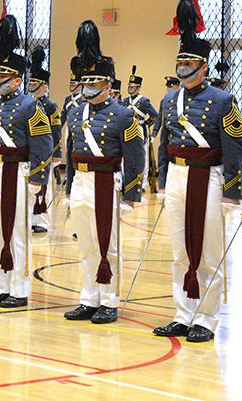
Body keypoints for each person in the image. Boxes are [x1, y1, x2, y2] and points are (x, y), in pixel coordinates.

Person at [154, 0, 242, 343]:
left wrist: (233, 192)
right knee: (179, 248)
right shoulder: (168, 100)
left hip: (209, 177)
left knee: (207, 249)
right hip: (177, 175)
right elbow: (163, 145)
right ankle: (183, 311)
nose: (183, 67)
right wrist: (161, 183)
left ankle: (207, 317)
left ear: (203, 66)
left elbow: (234, 149)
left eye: (189, 61)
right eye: (180, 61)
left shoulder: (224, 101)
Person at [62, 20, 145, 325]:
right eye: (86, 83)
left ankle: (108, 300)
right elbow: (71, 155)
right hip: (82, 180)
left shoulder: (124, 115)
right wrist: (69, 189)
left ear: (109, 85)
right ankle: (88, 297)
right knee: (85, 243)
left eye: (95, 83)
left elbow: (136, 158)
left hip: (107, 181)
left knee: (106, 244)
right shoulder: (74, 111)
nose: (89, 88)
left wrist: (131, 195)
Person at [0, 15, 53, 308]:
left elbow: (43, 144)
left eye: (5, 76)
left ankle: (20, 288)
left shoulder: (31, 106)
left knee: (18, 231)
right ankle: (1, 283)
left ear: (18, 80)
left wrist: (38, 178)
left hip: (21, 171)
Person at [26, 48, 61, 233]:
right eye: (31, 82)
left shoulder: (50, 106)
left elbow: (55, 131)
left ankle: (41, 221)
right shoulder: (26, 103)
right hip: (29, 150)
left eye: (37, 83)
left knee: (43, 187)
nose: (32, 85)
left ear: (45, 87)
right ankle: (29, 217)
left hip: (45, 150)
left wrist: (56, 153)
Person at [122, 67, 159, 192]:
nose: (130, 88)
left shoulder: (143, 101)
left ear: (138, 88)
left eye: (133, 86)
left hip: (141, 132)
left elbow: (155, 115)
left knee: (142, 159)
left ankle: (142, 184)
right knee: (126, 158)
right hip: (127, 132)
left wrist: (146, 124)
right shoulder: (125, 101)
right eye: (129, 85)